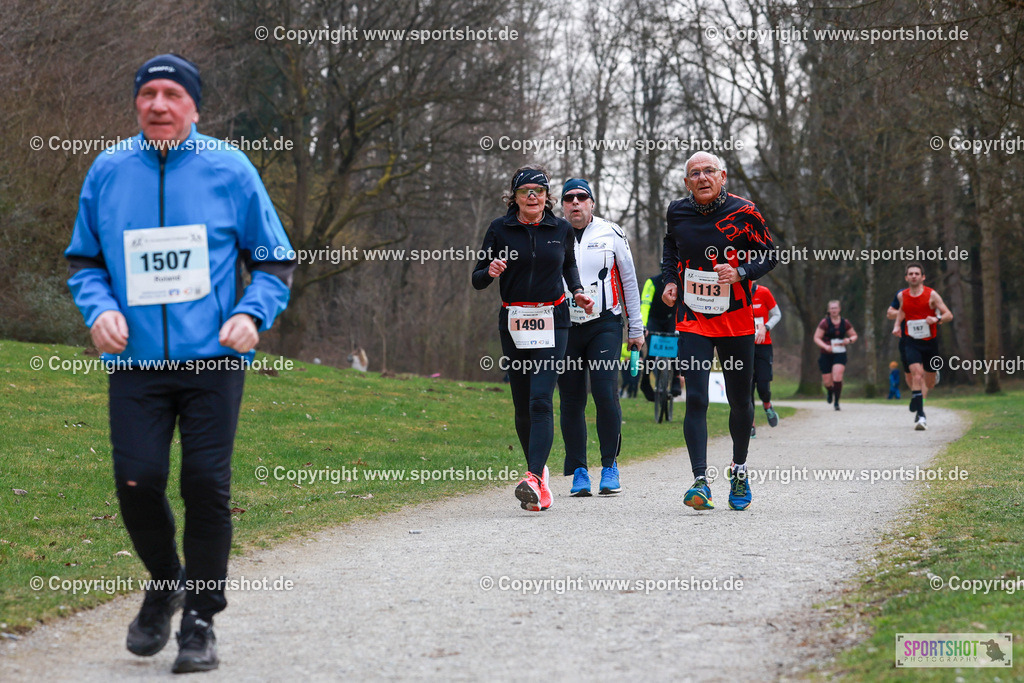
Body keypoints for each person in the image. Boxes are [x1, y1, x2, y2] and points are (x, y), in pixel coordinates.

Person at [64, 54, 295, 673]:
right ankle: (167, 581)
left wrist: (251, 314)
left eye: (172, 94)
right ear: (137, 103)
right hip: (135, 364)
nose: (159, 104)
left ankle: (200, 621)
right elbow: (85, 261)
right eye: (149, 94)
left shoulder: (230, 169)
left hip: (213, 362)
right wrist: (98, 309)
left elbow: (274, 260)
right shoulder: (109, 170)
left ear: (194, 105)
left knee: (205, 485)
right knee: (136, 482)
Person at [472, 166, 594, 511]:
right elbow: (477, 278)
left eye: (538, 191)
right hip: (514, 321)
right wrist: (490, 270)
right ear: (514, 196)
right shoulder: (499, 229)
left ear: (546, 196)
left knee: (541, 399)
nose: (531, 196)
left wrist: (578, 291)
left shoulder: (560, 229)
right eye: (524, 191)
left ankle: (534, 477)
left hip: (553, 320)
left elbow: (568, 266)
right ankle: (538, 475)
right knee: (523, 403)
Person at [661, 152, 777, 512]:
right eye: (694, 173)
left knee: (740, 400)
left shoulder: (745, 211)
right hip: (693, 318)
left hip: (736, 319)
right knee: (696, 397)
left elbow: (770, 254)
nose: (702, 177)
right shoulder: (677, 211)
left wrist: (741, 272)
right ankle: (700, 480)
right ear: (687, 182)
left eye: (709, 171)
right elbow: (670, 246)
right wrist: (670, 280)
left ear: (722, 176)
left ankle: (739, 470)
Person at [557, 178, 644, 497]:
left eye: (582, 197)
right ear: (562, 205)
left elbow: (630, 280)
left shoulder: (612, 232)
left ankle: (610, 465)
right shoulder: (554, 232)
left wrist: (636, 328)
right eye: (569, 198)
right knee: (571, 399)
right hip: (565, 325)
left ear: (591, 203)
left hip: (605, 323)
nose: (575, 202)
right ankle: (579, 471)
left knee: (606, 393)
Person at [891, 263, 953, 430]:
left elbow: (949, 314)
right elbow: (902, 311)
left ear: (923, 277)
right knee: (916, 375)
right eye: (910, 274)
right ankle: (921, 416)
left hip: (929, 343)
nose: (913, 276)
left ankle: (931, 379)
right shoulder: (902, 296)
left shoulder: (931, 295)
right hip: (911, 341)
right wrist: (897, 326)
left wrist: (937, 319)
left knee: (930, 383)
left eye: (917, 273)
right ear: (906, 277)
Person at [639, 272, 681, 400]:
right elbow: (645, 305)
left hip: (671, 318)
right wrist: (643, 325)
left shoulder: (680, 282)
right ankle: (645, 382)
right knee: (652, 352)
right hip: (654, 319)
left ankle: (676, 379)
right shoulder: (652, 282)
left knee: (674, 350)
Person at [749, 282, 782, 437]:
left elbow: (777, 314)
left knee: (763, 386)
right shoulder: (735, 292)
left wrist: (765, 327)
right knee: (747, 387)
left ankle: (767, 405)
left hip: (763, 346)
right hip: (744, 346)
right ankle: (750, 425)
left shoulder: (764, 292)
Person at [813, 300, 857, 411]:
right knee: (827, 381)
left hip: (840, 353)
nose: (834, 310)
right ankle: (830, 391)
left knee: (837, 376)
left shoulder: (845, 322)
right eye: (832, 308)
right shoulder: (824, 323)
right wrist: (825, 346)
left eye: (835, 308)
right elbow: (816, 338)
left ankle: (836, 402)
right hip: (826, 354)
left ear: (839, 309)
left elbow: (854, 335)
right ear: (829, 310)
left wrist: (849, 340)